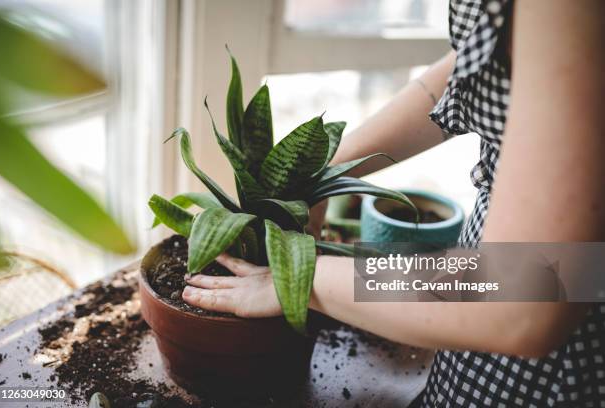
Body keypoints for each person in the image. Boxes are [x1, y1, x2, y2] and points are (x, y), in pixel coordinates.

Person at [182, 0, 605, 405]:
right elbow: (483, 67)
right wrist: (323, 175)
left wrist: (299, 279)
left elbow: (526, 294)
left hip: (557, 368)